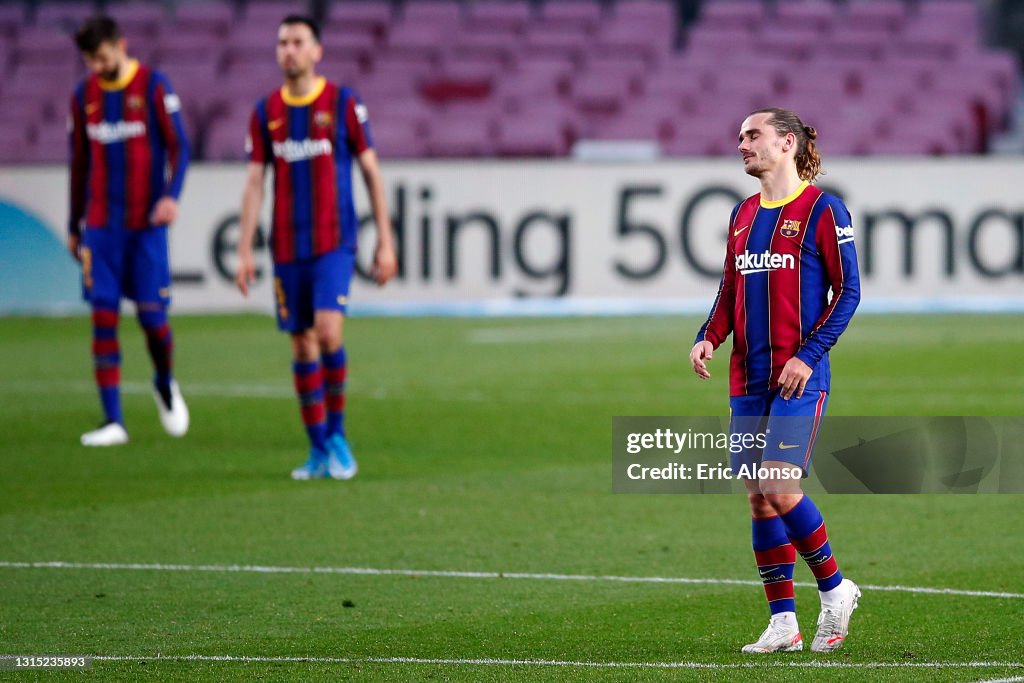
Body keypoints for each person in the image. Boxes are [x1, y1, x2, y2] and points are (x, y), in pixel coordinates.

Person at [689, 108, 861, 653]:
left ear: (787, 143)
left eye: (752, 135)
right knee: (759, 498)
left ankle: (836, 591)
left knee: (780, 484)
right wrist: (708, 337)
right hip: (748, 378)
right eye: (739, 136)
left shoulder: (822, 210)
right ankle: (783, 622)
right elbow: (728, 291)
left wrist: (808, 356)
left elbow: (849, 292)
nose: (741, 144)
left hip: (797, 379)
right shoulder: (742, 214)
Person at [235, 15, 397, 480]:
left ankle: (339, 436)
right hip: (286, 246)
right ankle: (316, 448)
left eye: (298, 42)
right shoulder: (266, 111)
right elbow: (254, 183)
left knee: (328, 331)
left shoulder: (343, 103)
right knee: (302, 343)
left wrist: (385, 240)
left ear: (317, 51)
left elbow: (370, 171)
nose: (289, 50)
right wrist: (245, 250)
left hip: (334, 241)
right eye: (282, 42)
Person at [68, 15, 190, 446]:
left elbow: (180, 146)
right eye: (91, 60)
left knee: (152, 320)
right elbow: (79, 163)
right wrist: (73, 224)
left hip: (145, 227)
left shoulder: (154, 86)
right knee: (102, 313)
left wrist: (171, 194)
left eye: (102, 57)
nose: (98, 67)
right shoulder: (84, 95)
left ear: (121, 45)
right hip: (101, 227)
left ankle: (163, 380)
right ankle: (112, 420)